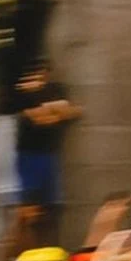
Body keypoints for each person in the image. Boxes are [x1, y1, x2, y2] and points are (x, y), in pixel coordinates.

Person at [11, 61, 81, 249]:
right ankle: (21, 253)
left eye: (42, 74)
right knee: (28, 211)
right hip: (28, 156)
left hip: (49, 155)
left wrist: (52, 113)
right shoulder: (22, 95)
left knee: (50, 208)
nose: (39, 78)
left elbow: (72, 111)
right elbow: (38, 117)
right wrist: (54, 113)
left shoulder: (54, 90)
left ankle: (49, 251)